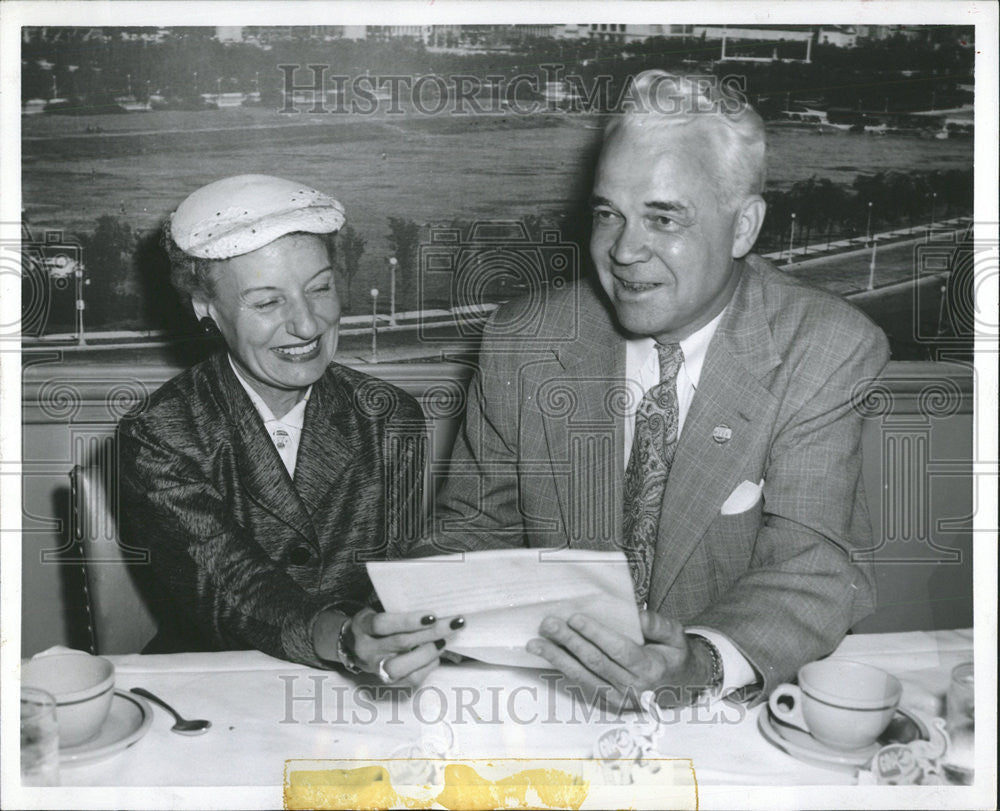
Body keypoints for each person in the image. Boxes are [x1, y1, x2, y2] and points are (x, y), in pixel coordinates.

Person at [428, 72, 890, 708]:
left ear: (743, 227)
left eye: (663, 217)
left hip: (721, 707)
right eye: (607, 215)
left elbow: (815, 567)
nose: (622, 250)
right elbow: (472, 534)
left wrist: (696, 661)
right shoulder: (524, 339)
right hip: (547, 697)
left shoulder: (826, 346)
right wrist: (413, 618)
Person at [119, 174, 459, 686]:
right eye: (266, 302)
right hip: (217, 683)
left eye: (320, 288)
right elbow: (233, 590)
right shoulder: (160, 434)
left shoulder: (388, 415)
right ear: (206, 308)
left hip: (364, 682)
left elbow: (398, 578)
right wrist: (345, 637)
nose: (306, 324)